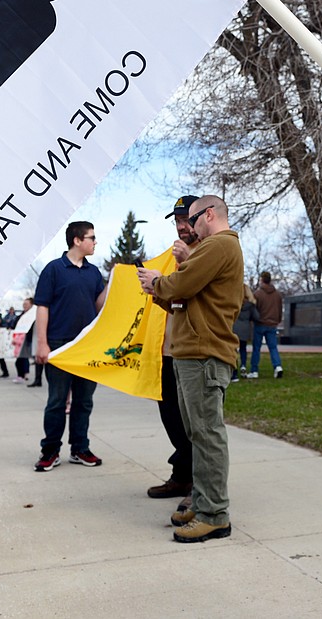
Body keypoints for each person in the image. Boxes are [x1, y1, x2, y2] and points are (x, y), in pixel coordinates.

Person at [137, 195, 244, 544]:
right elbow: (183, 298)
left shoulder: (218, 246)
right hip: (193, 352)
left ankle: (215, 514)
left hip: (204, 353)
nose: (189, 226)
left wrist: (158, 281)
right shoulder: (212, 249)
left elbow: (180, 286)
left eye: (193, 219)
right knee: (197, 434)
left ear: (209, 215)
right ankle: (202, 504)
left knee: (207, 434)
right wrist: (160, 289)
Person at [33, 222, 108, 472]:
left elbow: (99, 306)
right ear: (77, 240)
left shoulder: (94, 273)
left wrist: (113, 281)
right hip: (58, 345)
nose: (95, 242)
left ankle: (80, 449)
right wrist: (42, 344)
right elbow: (42, 306)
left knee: (84, 401)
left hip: (87, 347)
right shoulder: (54, 269)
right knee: (56, 401)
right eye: (92, 238)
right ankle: (50, 451)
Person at [145, 195, 201, 501]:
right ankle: (182, 476)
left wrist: (185, 262)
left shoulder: (210, 251)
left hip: (194, 353)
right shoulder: (171, 256)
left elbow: (198, 298)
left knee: (195, 423)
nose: (181, 227)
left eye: (186, 220)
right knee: (172, 419)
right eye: (177, 221)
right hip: (167, 353)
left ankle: (200, 486)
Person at [250, 271, 283, 379]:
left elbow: (254, 309)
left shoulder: (257, 294)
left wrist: (254, 319)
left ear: (262, 280)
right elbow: (279, 309)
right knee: (273, 347)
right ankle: (277, 366)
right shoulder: (277, 294)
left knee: (256, 348)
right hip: (272, 324)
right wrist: (277, 320)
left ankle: (254, 370)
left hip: (260, 323)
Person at [233, 283, 258, 377]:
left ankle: (234, 372)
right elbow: (256, 317)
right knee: (243, 349)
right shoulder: (250, 305)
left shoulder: (233, 302)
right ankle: (243, 365)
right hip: (245, 329)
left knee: (233, 350)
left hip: (234, 328)